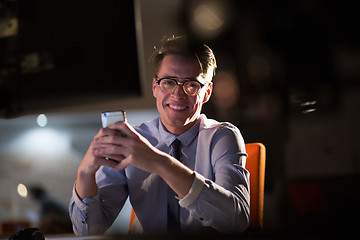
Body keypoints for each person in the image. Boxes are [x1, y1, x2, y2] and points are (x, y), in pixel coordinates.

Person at [69, 36, 250, 235]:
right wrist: (84, 174)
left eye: (191, 85)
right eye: (169, 82)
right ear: (155, 87)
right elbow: (88, 231)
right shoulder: (132, 141)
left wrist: (159, 163)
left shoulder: (222, 136)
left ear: (207, 93)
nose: (178, 94)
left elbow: (236, 220)